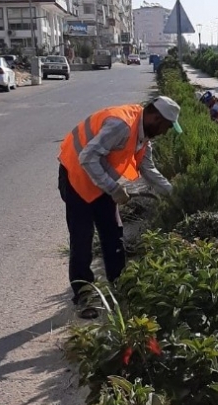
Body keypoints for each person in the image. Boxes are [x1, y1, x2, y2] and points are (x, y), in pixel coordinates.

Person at [58, 97, 182, 312]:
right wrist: (114, 189)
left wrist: (175, 194)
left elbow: (149, 170)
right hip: (76, 177)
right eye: (166, 126)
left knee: (114, 235)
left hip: (101, 180)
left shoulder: (143, 137)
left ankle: (121, 287)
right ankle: (84, 296)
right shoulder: (121, 125)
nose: (166, 131)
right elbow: (87, 157)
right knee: (82, 239)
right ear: (155, 118)